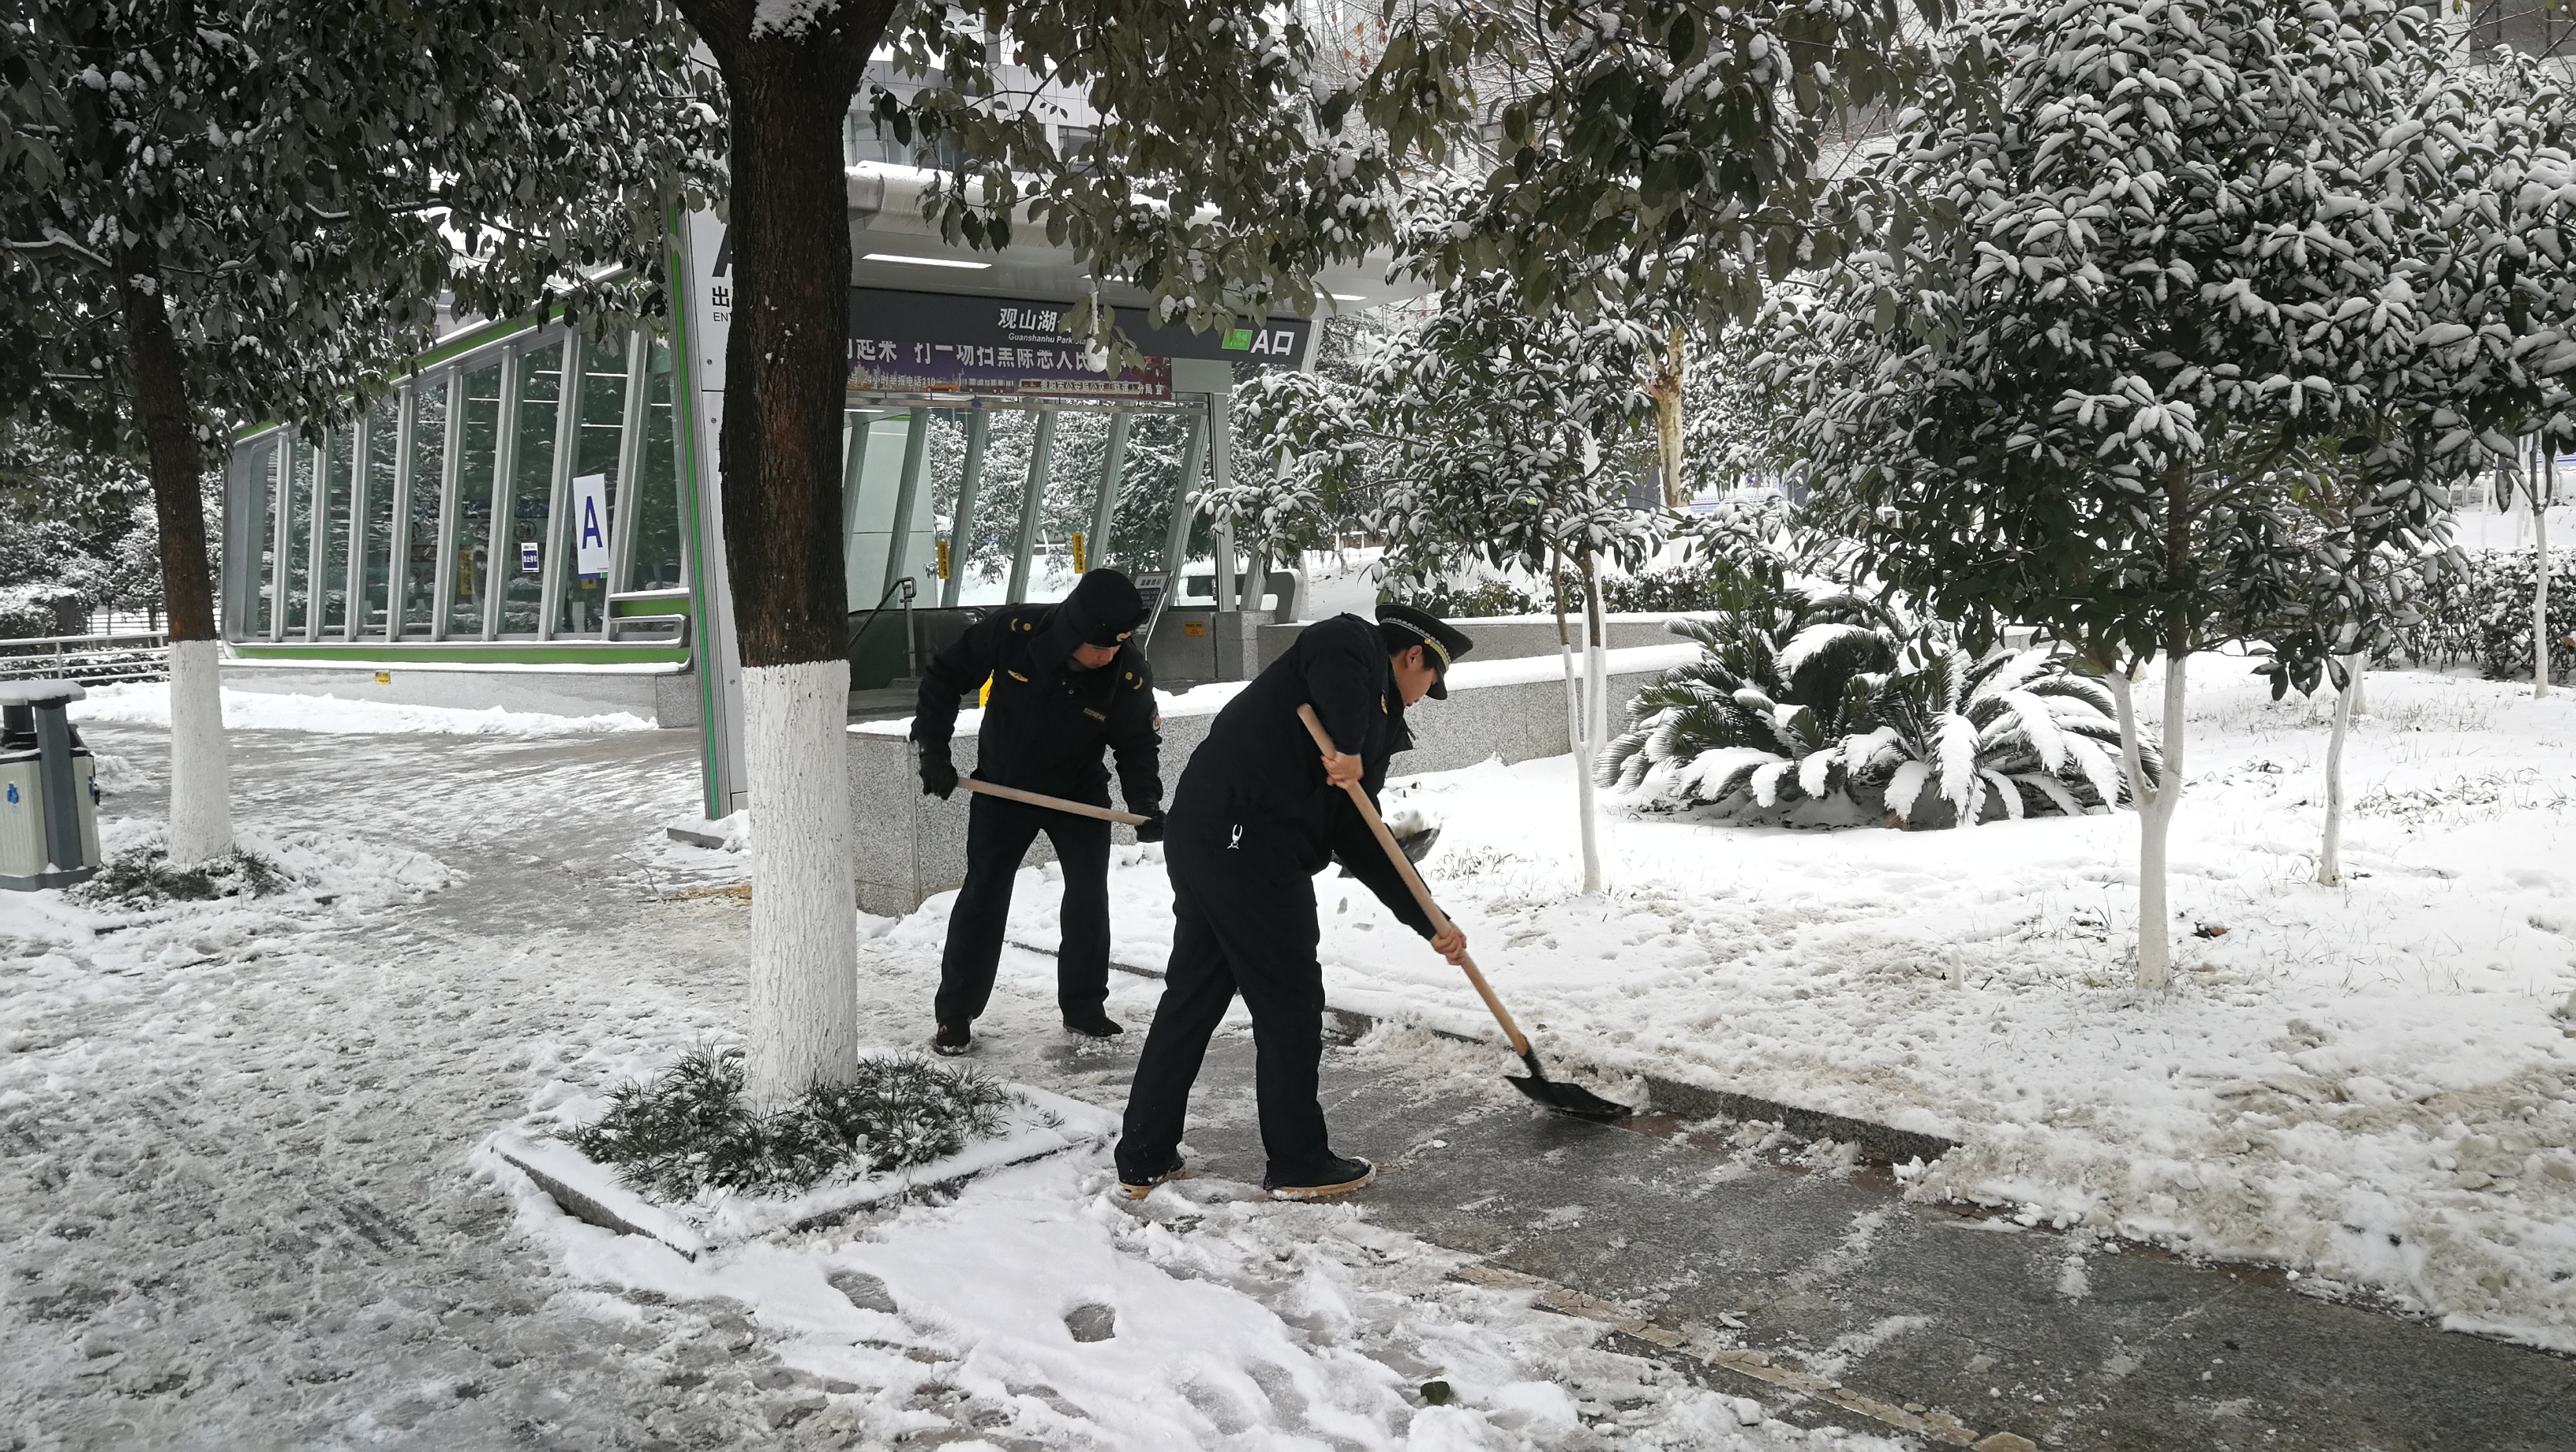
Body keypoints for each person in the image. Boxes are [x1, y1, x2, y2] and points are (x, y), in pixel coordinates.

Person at [1114, 602, 1474, 1201]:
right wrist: (1351, 745)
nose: (1424, 693)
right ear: (1414, 656)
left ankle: (1145, 1153)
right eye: (1429, 680)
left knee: (1194, 998)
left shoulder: (1369, 730)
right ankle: (1298, 1162)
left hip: (1211, 839)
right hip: (1247, 847)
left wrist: (1427, 917)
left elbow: (1361, 834)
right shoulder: (1352, 645)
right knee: (1290, 1005)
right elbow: (1331, 651)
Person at [912, 568, 1163, 1053]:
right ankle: (956, 1014)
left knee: (1089, 895)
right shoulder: (1013, 633)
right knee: (984, 892)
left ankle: (1085, 1007)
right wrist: (934, 752)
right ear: (1073, 631)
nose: (1109, 656)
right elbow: (944, 677)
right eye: (1100, 647)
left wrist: (1145, 802)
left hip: (1078, 793)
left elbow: (1136, 744)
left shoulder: (1126, 672)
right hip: (1004, 789)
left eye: (1117, 646)